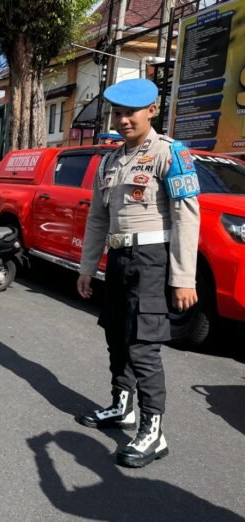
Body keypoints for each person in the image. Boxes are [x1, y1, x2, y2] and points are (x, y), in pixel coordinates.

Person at [76, 78, 200, 468]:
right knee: (116, 335)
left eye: (131, 112)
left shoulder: (170, 154)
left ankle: (153, 431)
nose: (123, 120)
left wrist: (184, 278)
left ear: (152, 110)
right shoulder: (110, 161)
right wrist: (87, 267)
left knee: (143, 346)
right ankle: (122, 405)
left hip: (151, 259)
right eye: (117, 113)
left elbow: (186, 217)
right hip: (119, 259)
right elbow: (98, 219)